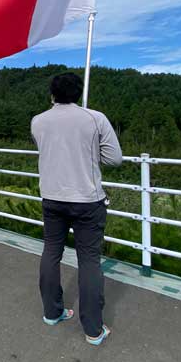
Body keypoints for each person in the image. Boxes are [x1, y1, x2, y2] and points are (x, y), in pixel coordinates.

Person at [31, 72, 122, 346]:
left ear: (52, 94)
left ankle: (52, 312)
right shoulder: (95, 118)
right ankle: (93, 330)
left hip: (51, 198)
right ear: (79, 92)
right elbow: (114, 159)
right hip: (87, 201)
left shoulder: (38, 121)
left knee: (51, 252)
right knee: (89, 262)